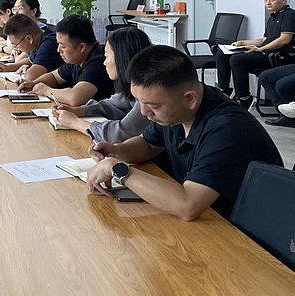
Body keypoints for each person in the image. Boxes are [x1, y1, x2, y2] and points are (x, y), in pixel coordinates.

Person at [85, 46, 283, 221]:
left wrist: (119, 169)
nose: (144, 112)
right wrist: (117, 151)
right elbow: (148, 145)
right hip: (209, 218)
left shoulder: (228, 129)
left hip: (244, 234)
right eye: (140, 102)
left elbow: (188, 205)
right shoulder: (176, 111)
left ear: (190, 99)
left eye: (153, 105)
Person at [53, 26, 152, 141]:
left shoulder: (147, 93)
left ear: (122, 58)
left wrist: (75, 123)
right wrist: (78, 111)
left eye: (107, 56)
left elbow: (121, 133)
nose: (104, 63)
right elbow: (113, 105)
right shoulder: (130, 84)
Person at [213, 0, 295, 108]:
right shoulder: (273, 17)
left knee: (237, 59)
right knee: (222, 54)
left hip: (278, 56)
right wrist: (243, 43)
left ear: (283, 0)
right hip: (264, 51)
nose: (268, 3)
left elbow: (284, 40)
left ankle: (244, 98)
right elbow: (265, 39)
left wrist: (260, 49)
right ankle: (224, 89)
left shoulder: (289, 15)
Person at [17, 14, 114, 105]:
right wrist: (33, 84)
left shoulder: (97, 63)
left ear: (81, 47)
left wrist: (46, 90)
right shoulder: (77, 58)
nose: (58, 50)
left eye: (63, 46)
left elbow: (75, 98)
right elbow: (54, 77)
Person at [2, 14, 63, 82]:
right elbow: (30, 60)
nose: (17, 48)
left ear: (29, 38)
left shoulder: (49, 43)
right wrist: (6, 67)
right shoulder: (37, 40)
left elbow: (31, 77)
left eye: (16, 44)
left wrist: (28, 69)